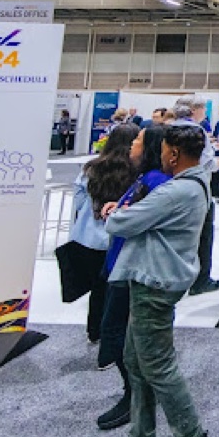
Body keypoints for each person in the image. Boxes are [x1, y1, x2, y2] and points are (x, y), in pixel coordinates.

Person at [101, 124, 214, 437]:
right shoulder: (194, 185)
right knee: (136, 361)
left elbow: (121, 223)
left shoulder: (176, 191)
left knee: (158, 365)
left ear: (174, 153)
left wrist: (117, 214)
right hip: (153, 280)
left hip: (155, 285)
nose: (159, 154)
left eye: (164, 149)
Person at [96, 124, 172, 433]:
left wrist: (119, 215)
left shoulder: (155, 182)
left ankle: (135, 396)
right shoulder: (144, 178)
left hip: (133, 269)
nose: (133, 146)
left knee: (117, 335)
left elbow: (136, 221)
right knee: (118, 334)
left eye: (138, 141)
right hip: (121, 264)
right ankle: (135, 395)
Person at [73, 123, 140, 344]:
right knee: (117, 291)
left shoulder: (91, 168)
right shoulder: (137, 172)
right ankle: (114, 335)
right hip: (119, 240)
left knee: (96, 289)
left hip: (88, 238)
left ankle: (94, 331)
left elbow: (79, 199)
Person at [171, 100, 219, 297]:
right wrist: (217, 162)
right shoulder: (197, 132)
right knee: (203, 236)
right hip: (198, 191)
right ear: (195, 111)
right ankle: (201, 280)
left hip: (170, 189)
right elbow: (206, 162)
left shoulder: (167, 130)